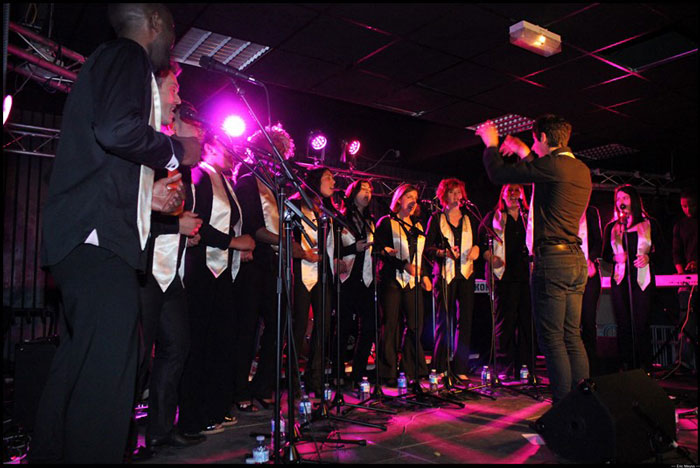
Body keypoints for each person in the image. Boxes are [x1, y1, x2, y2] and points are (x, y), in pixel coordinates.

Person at [31, 4, 200, 463]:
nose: (171, 41)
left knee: (77, 366)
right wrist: (176, 150)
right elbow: (115, 130)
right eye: (171, 30)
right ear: (155, 23)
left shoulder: (105, 61)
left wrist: (147, 200)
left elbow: (102, 155)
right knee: (109, 375)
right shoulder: (127, 55)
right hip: (98, 241)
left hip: (83, 239)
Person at [477, 114, 592, 404]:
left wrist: (491, 144)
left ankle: (564, 409)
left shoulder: (553, 165)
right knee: (572, 336)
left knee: (552, 340)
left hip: (553, 260)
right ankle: (583, 406)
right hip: (575, 259)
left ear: (542, 137)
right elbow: (542, 171)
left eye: (534, 140)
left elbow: (498, 174)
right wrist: (521, 150)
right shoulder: (579, 168)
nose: (533, 145)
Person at [134, 89, 207, 454]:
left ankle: (161, 430)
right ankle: (121, 438)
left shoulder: (187, 172)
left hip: (171, 275)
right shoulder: (149, 152)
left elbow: (174, 217)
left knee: (176, 349)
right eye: (192, 135)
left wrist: (185, 236)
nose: (197, 143)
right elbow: (134, 212)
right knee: (137, 356)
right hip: (145, 272)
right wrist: (175, 227)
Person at [178, 134, 255, 436]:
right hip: (200, 268)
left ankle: (215, 407)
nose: (231, 153)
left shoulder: (225, 181)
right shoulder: (200, 175)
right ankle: (194, 415)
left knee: (221, 342)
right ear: (209, 148)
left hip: (221, 270)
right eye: (225, 147)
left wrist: (239, 245)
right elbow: (196, 222)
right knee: (201, 343)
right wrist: (233, 242)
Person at [232, 124, 297, 410]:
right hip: (252, 263)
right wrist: (286, 243)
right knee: (247, 328)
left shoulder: (277, 187)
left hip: (273, 265)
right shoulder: (247, 181)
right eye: (275, 149)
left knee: (277, 326)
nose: (279, 155)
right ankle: (239, 388)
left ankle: (263, 384)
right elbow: (252, 226)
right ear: (260, 150)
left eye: (283, 151)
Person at [374, 184, 432, 385]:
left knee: (416, 324)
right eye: (409, 196)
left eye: (415, 197)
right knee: (390, 325)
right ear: (399, 199)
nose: (413, 201)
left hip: (413, 281)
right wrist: (402, 265)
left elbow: (421, 255)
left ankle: (410, 367)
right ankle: (387, 372)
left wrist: (425, 275)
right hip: (392, 279)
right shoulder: (387, 222)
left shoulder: (417, 226)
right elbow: (379, 250)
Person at [602, 185, 662, 371]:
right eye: (618, 199)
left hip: (642, 281)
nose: (621, 202)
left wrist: (649, 257)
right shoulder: (612, 227)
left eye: (625, 198)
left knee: (641, 324)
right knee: (623, 324)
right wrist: (615, 258)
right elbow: (605, 255)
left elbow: (662, 251)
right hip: (620, 281)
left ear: (634, 201)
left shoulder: (650, 224)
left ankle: (644, 366)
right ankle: (626, 365)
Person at [425, 178, 479, 379]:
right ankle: (440, 367)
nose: (456, 196)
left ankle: (460, 368)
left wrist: (477, 248)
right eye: (452, 193)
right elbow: (427, 248)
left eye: (459, 193)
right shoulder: (436, 218)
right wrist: (442, 252)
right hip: (445, 274)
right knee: (444, 320)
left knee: (465, 321)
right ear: (444, 196)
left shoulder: (470, 217)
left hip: (466, 273)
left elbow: (481, 241)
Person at [290, 166, 336, 397]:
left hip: (321, 273)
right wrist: (300, 252)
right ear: (315, 181)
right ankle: (292, 380)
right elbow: (286, 236)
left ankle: (315, 379)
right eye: (328, 178)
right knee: (298, 326)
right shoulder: (293, 204)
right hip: (299, 271)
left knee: (323, 326)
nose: (333, 182)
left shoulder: (326, 210)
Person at [478, 184, 532, 382]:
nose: (513, 194)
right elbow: (480, 244)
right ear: (502, 195)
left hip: (527, 277)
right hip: (504, 277)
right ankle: (504, 367)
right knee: (505, 323)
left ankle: (525, 367)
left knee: (526, 323)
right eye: (510, 191)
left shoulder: (529, 218)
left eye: (517, 190)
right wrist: (490, 256)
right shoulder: (493, 217)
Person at [336, 179, 376, 387]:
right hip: (347, 278)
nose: (367, 193)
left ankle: (358, 373)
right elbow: (333, 249)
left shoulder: (370, 221)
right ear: (353, 193)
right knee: (343, 327)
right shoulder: (341, 219)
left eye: (370, 190)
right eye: (363, 189)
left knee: (369, 326)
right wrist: (354, 249)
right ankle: (337, 373)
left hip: (366, 279)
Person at [671, 188, 697, 369]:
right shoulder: (680, 225)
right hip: (688, 277)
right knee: (686, 318)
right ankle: (684, 362)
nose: (688, 209)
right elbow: (676, 252)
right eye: (684, 206)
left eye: (691, 205)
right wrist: (681, 272)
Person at [579, 205, 603, 376]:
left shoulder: (591, 211)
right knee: (571, 323)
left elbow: (598, 241)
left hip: (589, 272)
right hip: (568, 271)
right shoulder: (564, 209)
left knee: (588, 320)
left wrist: (591, 258)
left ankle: (591, 367)